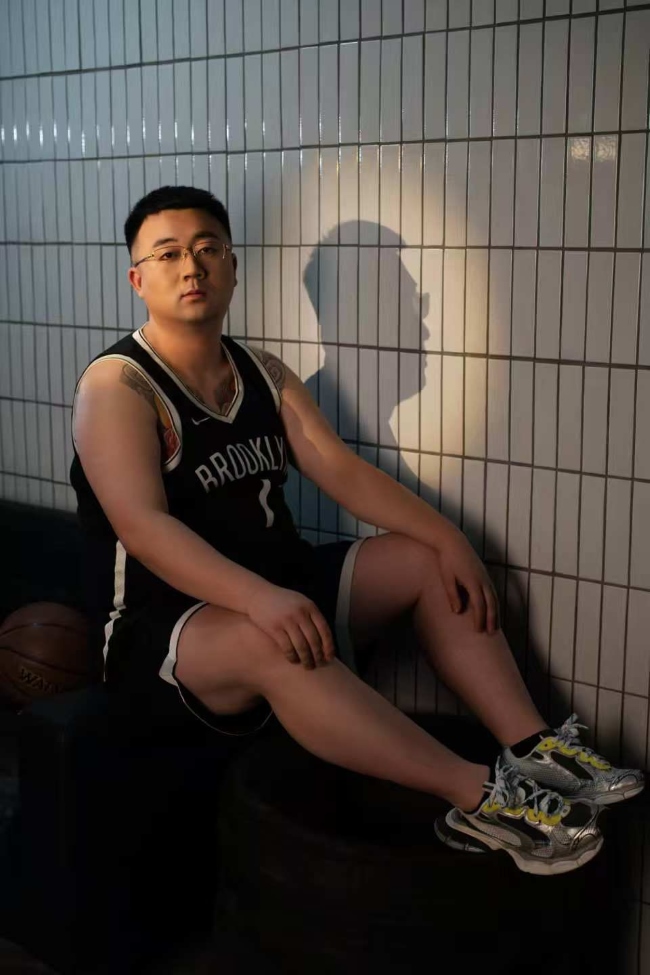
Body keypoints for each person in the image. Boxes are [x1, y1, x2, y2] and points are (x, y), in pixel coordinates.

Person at [70, 185, 643, 877]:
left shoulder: (262, 372)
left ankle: (534, 749)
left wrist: (449, 539)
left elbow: (341, 470)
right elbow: (144, 527)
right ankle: (483, 799)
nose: (191, 266)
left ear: (232, 266)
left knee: (424, 561)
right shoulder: (117, 386)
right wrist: (258, 598)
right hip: (166, 629)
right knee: (272, 635)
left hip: (278, 590)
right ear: (138, 279)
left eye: (207, 248)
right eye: (167, 254)